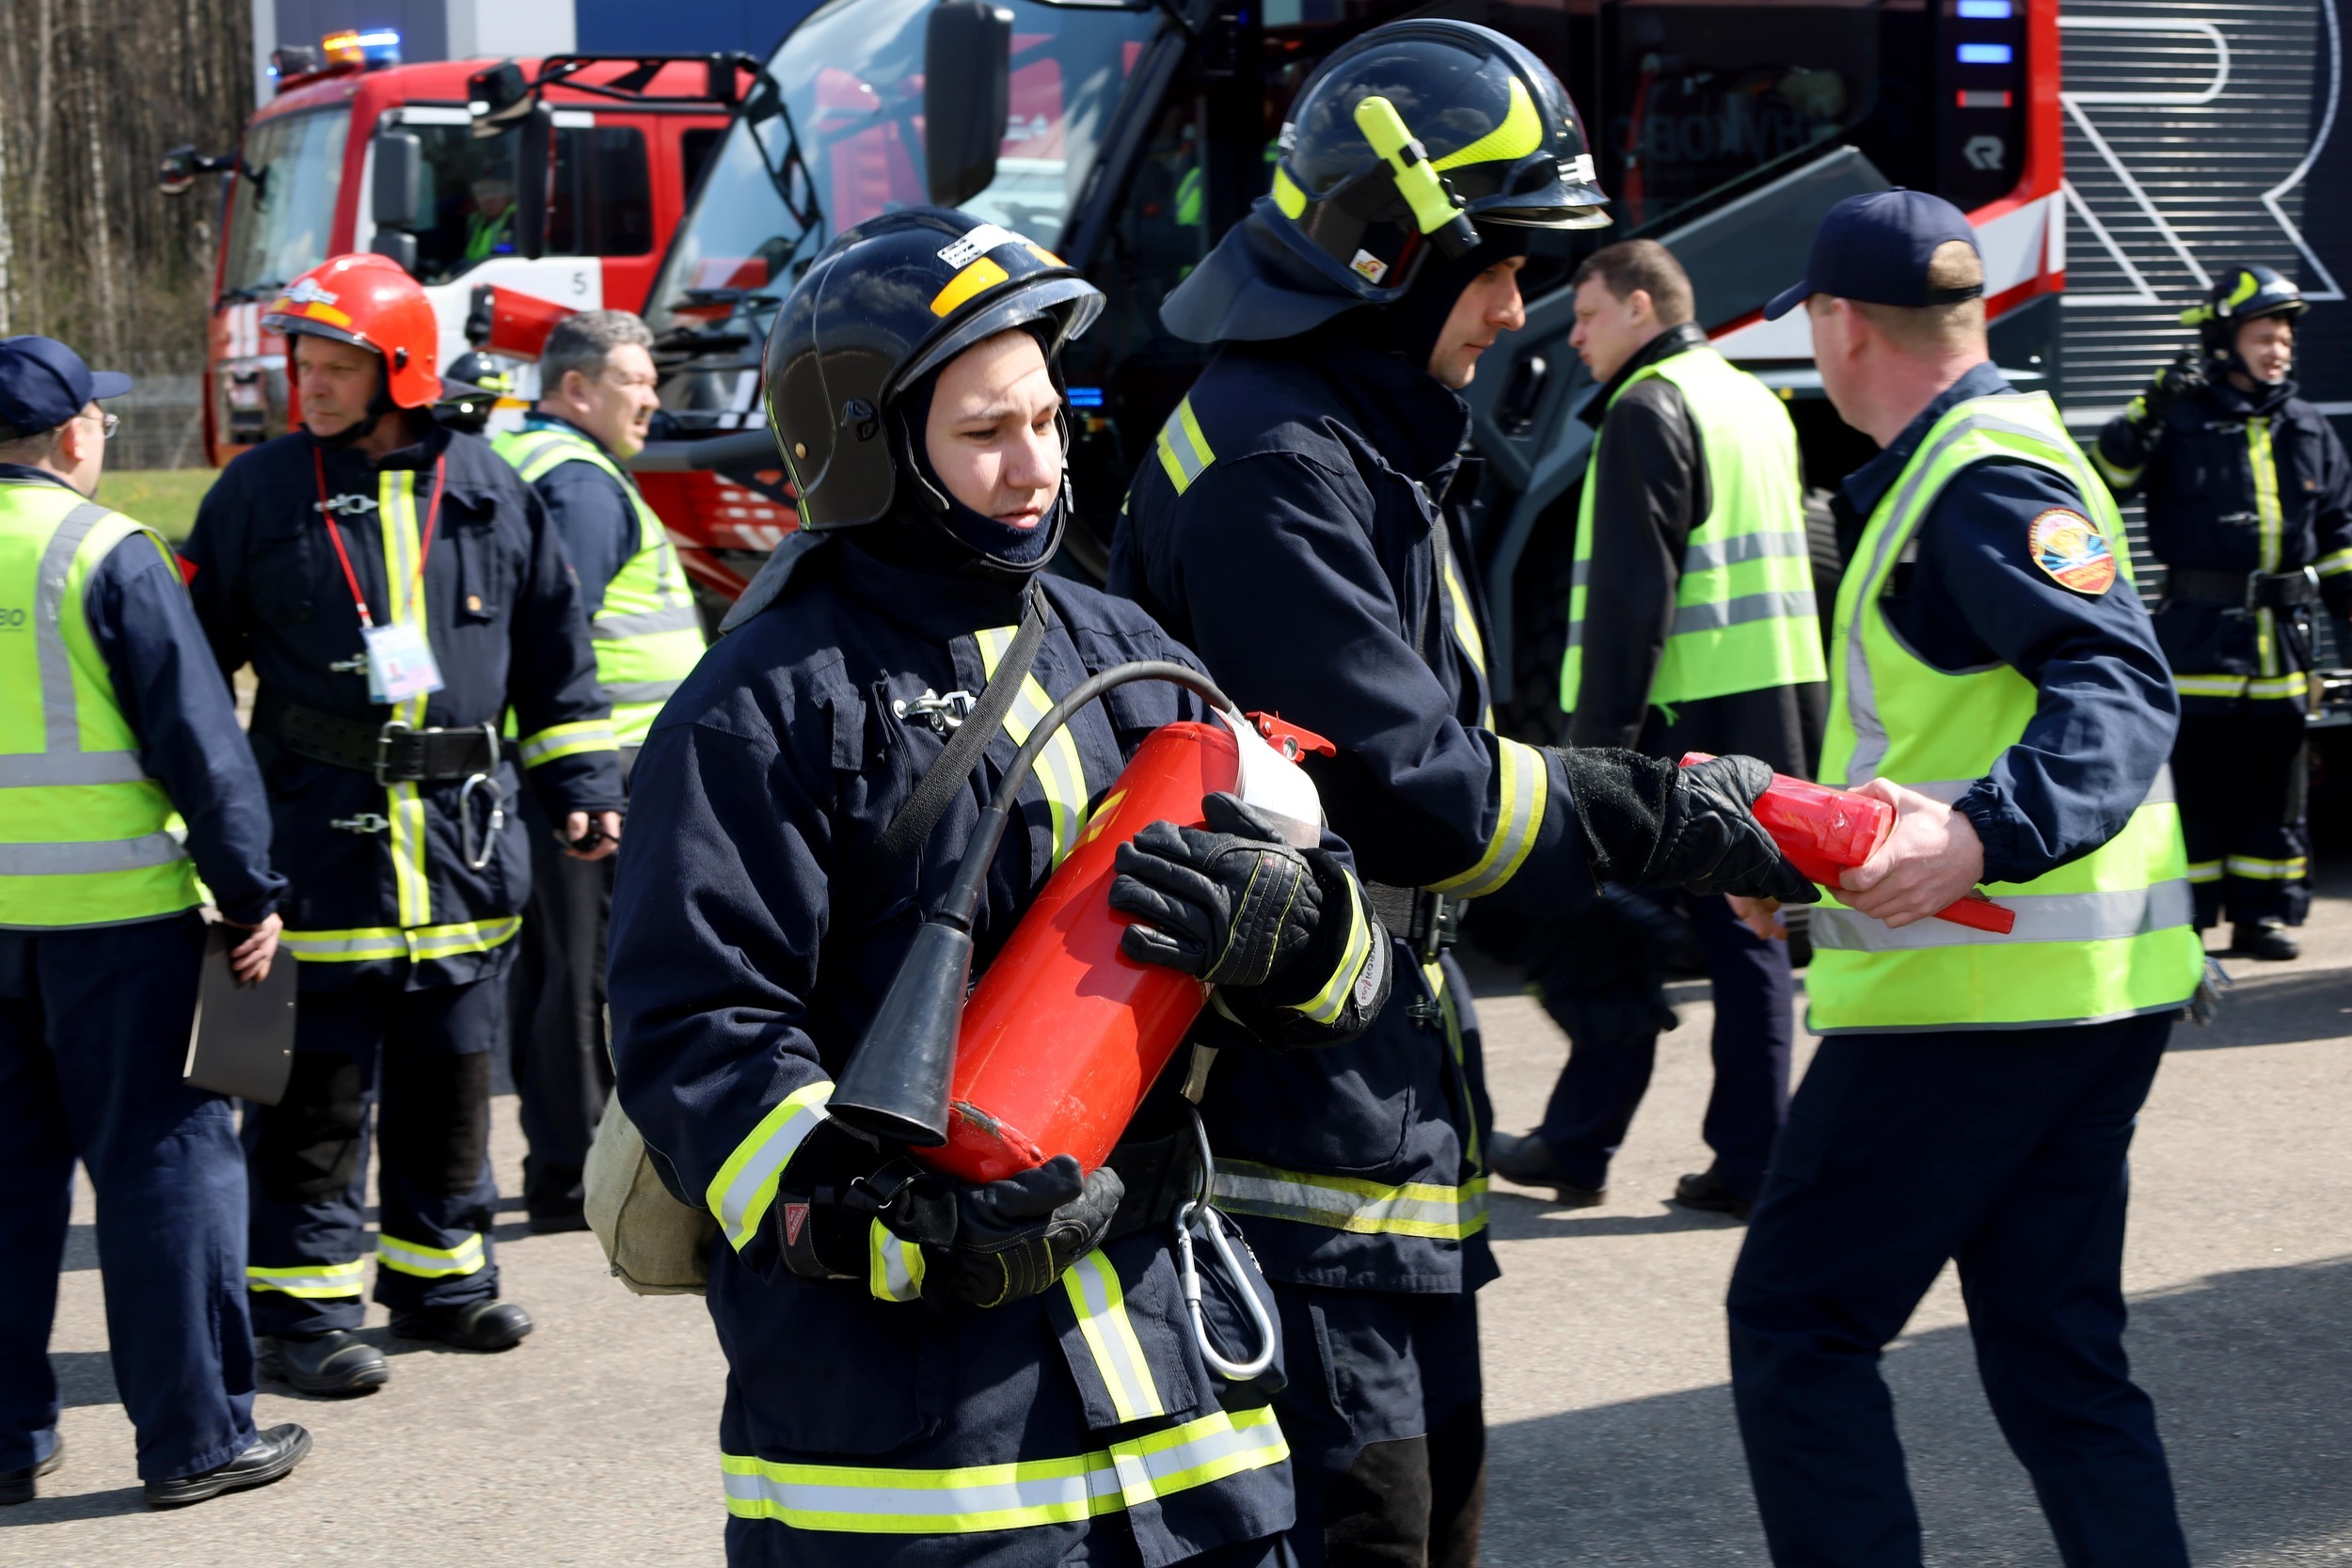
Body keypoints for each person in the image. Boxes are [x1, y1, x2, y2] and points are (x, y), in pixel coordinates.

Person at [606, 209, 1402, 1567]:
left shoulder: (1132, 651)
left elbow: (1342, 968)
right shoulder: (761, 707)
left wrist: (1303, 932)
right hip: (918, 1457)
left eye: (1047, 417)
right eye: (985, 431)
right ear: (868, 446)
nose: (1036, 465)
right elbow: (697, 1035)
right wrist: (898, 1220)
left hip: (1180, 1400)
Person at [1111, 24, 1813, 1563]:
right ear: (1389, 255)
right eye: (1496, 266)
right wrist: (1680, 823)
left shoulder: (1354, 436)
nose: (1514, 307)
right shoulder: (1278, 466)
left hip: (1379, 1125)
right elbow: (1419, 788)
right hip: (1296, 1154)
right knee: (1368, 1536)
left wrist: (1573, 926)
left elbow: (1420, 773)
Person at [1724, 190, 2205, 1568]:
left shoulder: (1974, 478)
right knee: (2058, 1354)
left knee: (1798, 1324)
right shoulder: (1990, 456)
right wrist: (1814, 882)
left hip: (1975, 1006)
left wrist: (1981, 835)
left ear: (1840, 324)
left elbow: (2116, 686)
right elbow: (1946, 741)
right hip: (2078, 996)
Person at [183, 255, 625, 1398]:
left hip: (462, 852)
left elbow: (556, 658)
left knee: (453, 1080)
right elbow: (193, 671)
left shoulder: (489, 487)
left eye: (338, 367)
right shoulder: (254, 493)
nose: (313, 387)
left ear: (402, 369)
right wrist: (215, 832)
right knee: (312, 1097)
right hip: (315, 849)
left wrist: (583, 784)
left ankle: (443, 1280)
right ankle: (303, 1311)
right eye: (305, 366)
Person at [0, 336, 312, 1508]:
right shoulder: (105, 550)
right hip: (120, 924)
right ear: (75, 433)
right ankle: (195, 1437)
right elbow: (201, 744)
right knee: (167, 1172)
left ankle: (8, 1437)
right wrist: (251, 893)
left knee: (6, 1188)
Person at [1486, 238, 1825, 1222]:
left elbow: (1631, 607)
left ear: (1642, 307)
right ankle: (1740, 1155)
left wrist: (1596, 762)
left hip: (1683, 724)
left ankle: (1587, 1145)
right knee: (1749, 940)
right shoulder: (1752, 399)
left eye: (1588, 315)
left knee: (1613, 931)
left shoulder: (1647, 406)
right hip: (1768, 715)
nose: (1574, 337)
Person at [493, 311, 704, 1232]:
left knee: (556, 970)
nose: (652, 397)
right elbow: (557, 632)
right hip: (596, 762)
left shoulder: (524, 457)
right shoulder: (579, 482)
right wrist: (581, 774)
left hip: (564, 758)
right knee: (588, 976)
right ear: (576, 388)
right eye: (634, 380)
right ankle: (575, 1168)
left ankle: (560, 1159)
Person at [2093, 265, 2352, 961]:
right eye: (2264, 337)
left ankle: (2263, 916)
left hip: (2280, 646)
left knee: (2275, 790)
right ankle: (2190, 919)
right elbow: (2107, 481)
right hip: (2198, 640)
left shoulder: (2306, 425)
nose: (2278, 351)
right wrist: (2149, 409)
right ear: (2224, 341)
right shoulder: (2178, 419)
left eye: (2285, 340)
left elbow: (2338, 531)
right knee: (2196, 789)